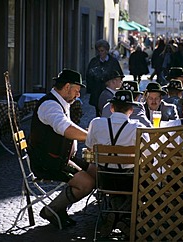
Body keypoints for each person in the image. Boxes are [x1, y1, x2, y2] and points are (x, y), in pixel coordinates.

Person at [28, 69, 96, 229]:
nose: (78, 95)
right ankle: (52, 209)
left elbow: (69, 128)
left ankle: (61, 207)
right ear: (66, 87)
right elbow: (64, 128)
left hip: (62, 157)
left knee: (96, 171)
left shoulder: (60, 103)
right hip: (48, 161)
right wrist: (92, 137)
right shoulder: (49, 105)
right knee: (87, 184)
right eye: (76, 90)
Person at [85, 90, 150, 237]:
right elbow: (147, 153)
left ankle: (114, 216)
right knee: (147, 184)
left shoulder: (96, 123)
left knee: (116, 187)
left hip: (104, 179)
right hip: (129, 180)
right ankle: (121, 218)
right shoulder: (137, 127)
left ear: (112, 108)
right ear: (131, 110)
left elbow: (89, 146)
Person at [86, 39, 123, 117]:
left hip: (110, 90)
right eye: (98, 51)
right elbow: (88, 76)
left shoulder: (113, 61)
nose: (100, 53)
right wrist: (91, 88)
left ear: (106, 50)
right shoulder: (94, 61)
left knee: (111, 110)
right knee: (98, 111)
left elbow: (119, 75)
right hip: (97, 91)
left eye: (102, 51)